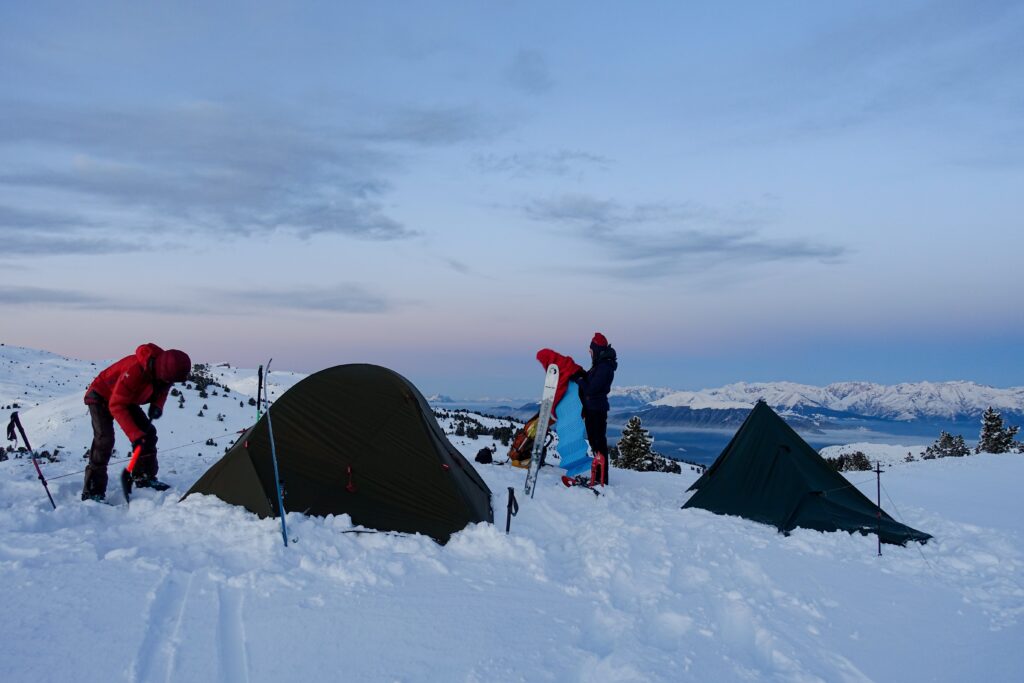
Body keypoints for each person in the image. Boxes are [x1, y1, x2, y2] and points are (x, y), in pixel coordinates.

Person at [81, 343, 191, 501]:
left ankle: (143, 476)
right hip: (101, 396)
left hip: (126, 399)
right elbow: (116, 405)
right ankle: (92, 491)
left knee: (149, 434)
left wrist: (157, 406)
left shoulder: (163, 371)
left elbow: (164, 387)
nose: (171, 382)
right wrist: (135, 436)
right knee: (104, 440)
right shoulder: (135, 370)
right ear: (162, 370)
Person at [574, 332, 617, 485]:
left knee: (598, 443)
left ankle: (601, 478)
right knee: (595, 443)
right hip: (592, 409)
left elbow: (592, 388)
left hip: (596, 410)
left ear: (597, 349)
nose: (589, 352)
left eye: (591, 350)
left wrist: (579, 380)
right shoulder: (600, 365)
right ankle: (598, 476)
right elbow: (592, 382)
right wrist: (581, 375)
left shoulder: (604, 367)